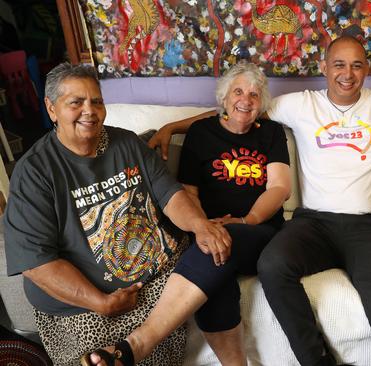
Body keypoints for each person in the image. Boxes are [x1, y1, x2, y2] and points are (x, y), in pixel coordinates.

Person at [148, 35, 371, 366]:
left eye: (356, 65)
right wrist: (174, 126)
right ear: (323, 67)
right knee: (273, 264)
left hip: (368, 228)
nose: (347, 74)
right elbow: (237, 112)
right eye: (338, 64)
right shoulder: (299, 104)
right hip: (313, 224)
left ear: (367, 70)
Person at [2, 63, 228, 365]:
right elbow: (36, 262)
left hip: (158, 279)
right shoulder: (35, 172)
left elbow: (170, 193)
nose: (90, 111)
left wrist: (200, 225)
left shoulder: (127, 143)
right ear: (51, 109)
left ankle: (135, 346)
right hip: (87, 306)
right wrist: (101, 302)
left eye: (96, 101)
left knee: (220, 254)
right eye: (76, 103)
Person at [82, 61, 291, 365]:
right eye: (238, 91)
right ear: (224, 97)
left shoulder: (270, 133)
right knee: (215, 273)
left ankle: (137, 345)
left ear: (261, 103)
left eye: (254, 95)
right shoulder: (202, 133)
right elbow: (188, 193)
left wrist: (246, 221)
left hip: (260, 232)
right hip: (210, 229)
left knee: (219, 240)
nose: (245, 100)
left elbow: (279, 188)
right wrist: (204, 226)